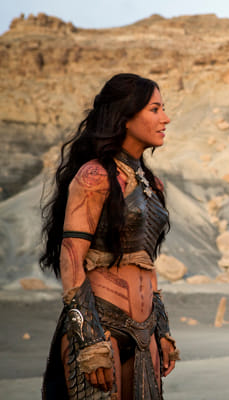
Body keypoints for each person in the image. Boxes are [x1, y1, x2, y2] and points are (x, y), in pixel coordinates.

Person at [40, 73, 178, 399]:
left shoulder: (152, 184)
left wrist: (162, 329)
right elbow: (72, 259)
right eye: (155, 109)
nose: (165, 118)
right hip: (101, 326)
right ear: (125, 116)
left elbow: (146, 263)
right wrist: (89, 340)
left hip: (145, 332)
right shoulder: (94, 176)